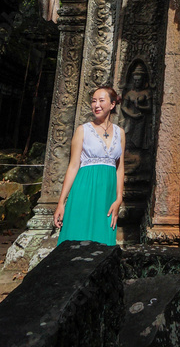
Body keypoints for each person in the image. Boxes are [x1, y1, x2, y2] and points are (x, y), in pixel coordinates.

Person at [54, 85, 125, 245]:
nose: (96, 105)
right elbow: (73, 167)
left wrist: (119, 198)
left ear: (112, 104)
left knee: (103, 244)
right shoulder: (83, 130)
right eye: (93, 101)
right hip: (83, 191)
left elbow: (120, 168)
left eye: (101, 100)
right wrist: (61, 202)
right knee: (76, 240)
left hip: (107, 196)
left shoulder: (120, 133)